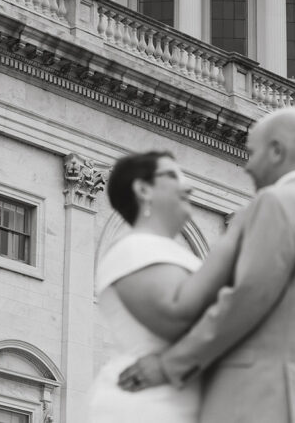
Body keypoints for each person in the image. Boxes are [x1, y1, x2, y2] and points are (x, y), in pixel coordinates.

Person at [118, 106, 295, 423]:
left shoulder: (276, 202)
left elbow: (248, 297)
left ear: (277, 151)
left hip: (263, 397)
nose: (247, 166)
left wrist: (169, 364)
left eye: (252, 153)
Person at [88, 151, 241, 423]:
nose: (188, 186)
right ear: (143, 189)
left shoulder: (174, 254)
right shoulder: (132, 249)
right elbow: (182, 320)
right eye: (172, 175)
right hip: (148, 406)